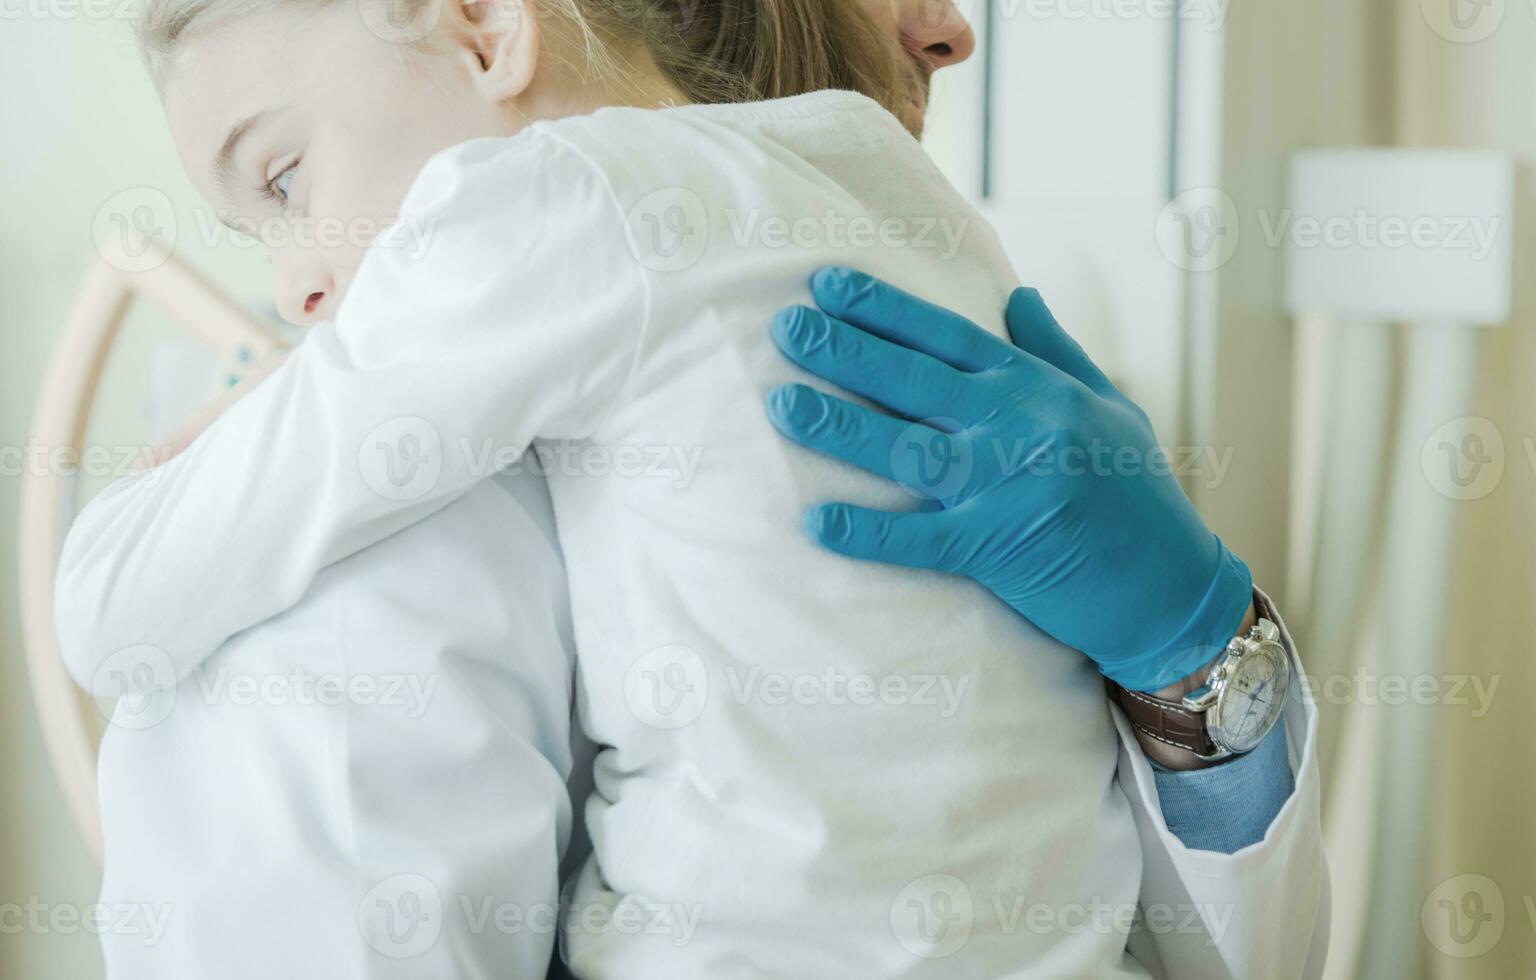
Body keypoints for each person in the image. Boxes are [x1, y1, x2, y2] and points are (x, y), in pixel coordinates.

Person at [55, 1, 1326, 978]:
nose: (951, 29)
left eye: (283, 183)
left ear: (490, 29)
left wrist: (1199, 657)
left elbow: (114, 608)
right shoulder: (915, 219)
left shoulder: (538, 218)